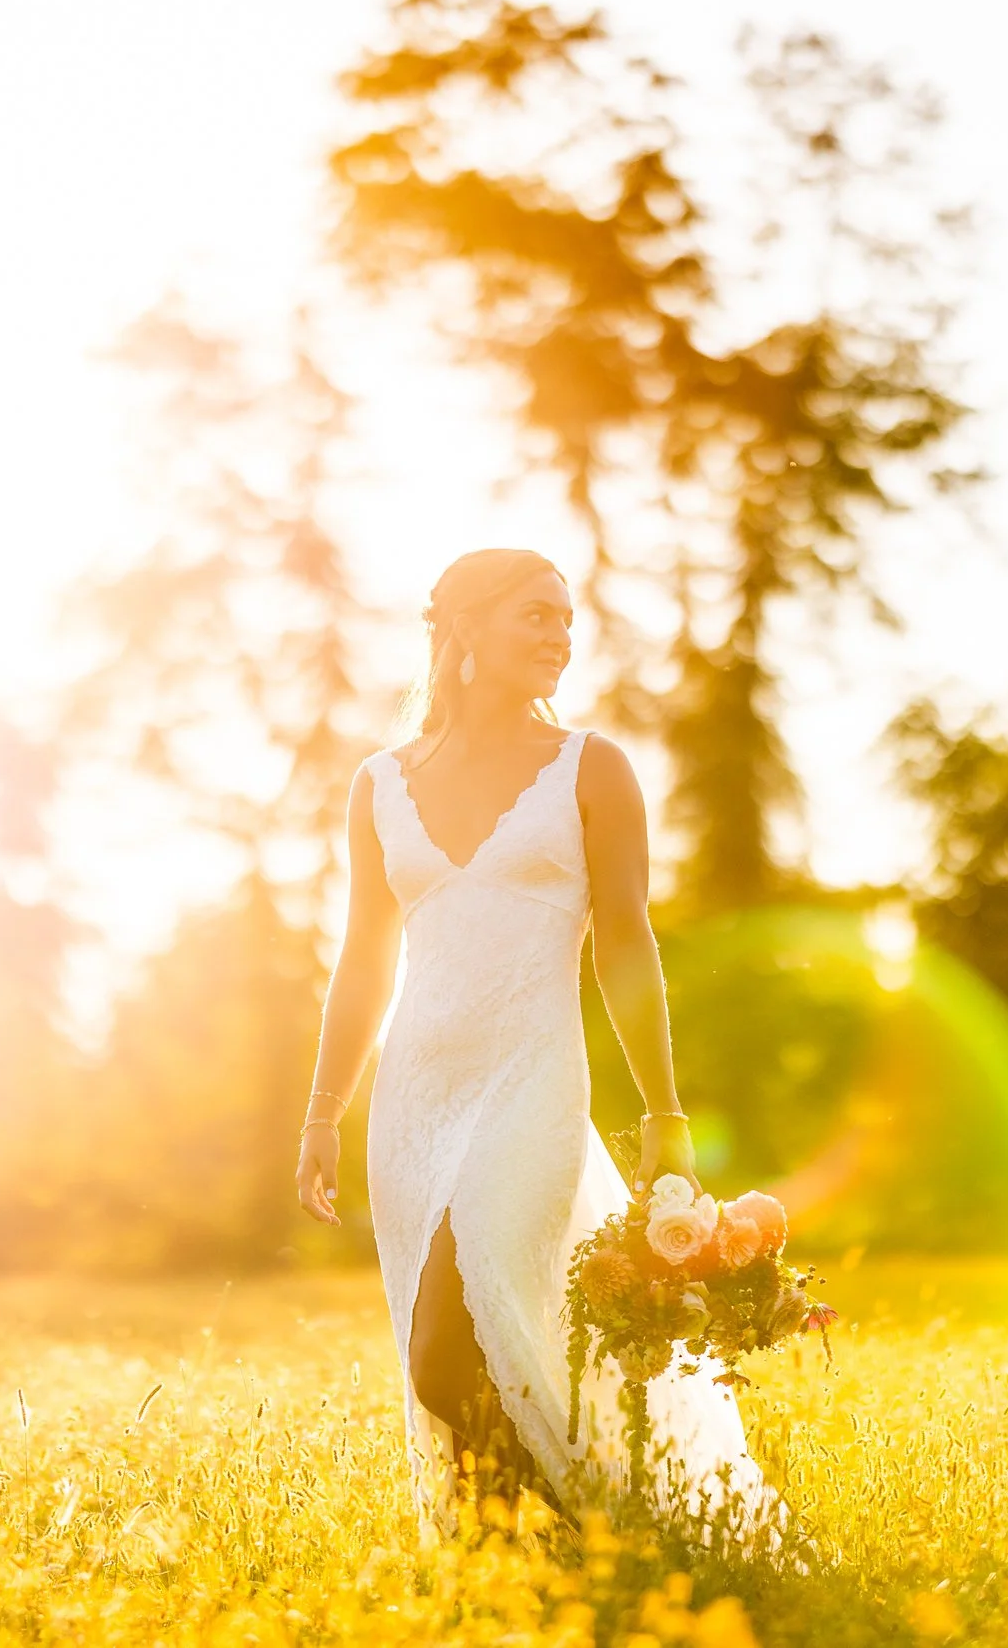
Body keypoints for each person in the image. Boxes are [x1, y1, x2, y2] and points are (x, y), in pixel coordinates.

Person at [294, 547, 778, 1543]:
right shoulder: (378, 783)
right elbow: (361, 960)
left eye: (565, 617)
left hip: (532, 1084)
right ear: (464, 629)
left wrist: (664, 1110)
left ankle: (620, 1534)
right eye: (535, 615)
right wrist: (319, 1110)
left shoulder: (591, 768)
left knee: (446, 1349)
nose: (561, 634)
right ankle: (515, 1581)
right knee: (463, 1357)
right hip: (415, 1095)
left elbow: (628, 944)